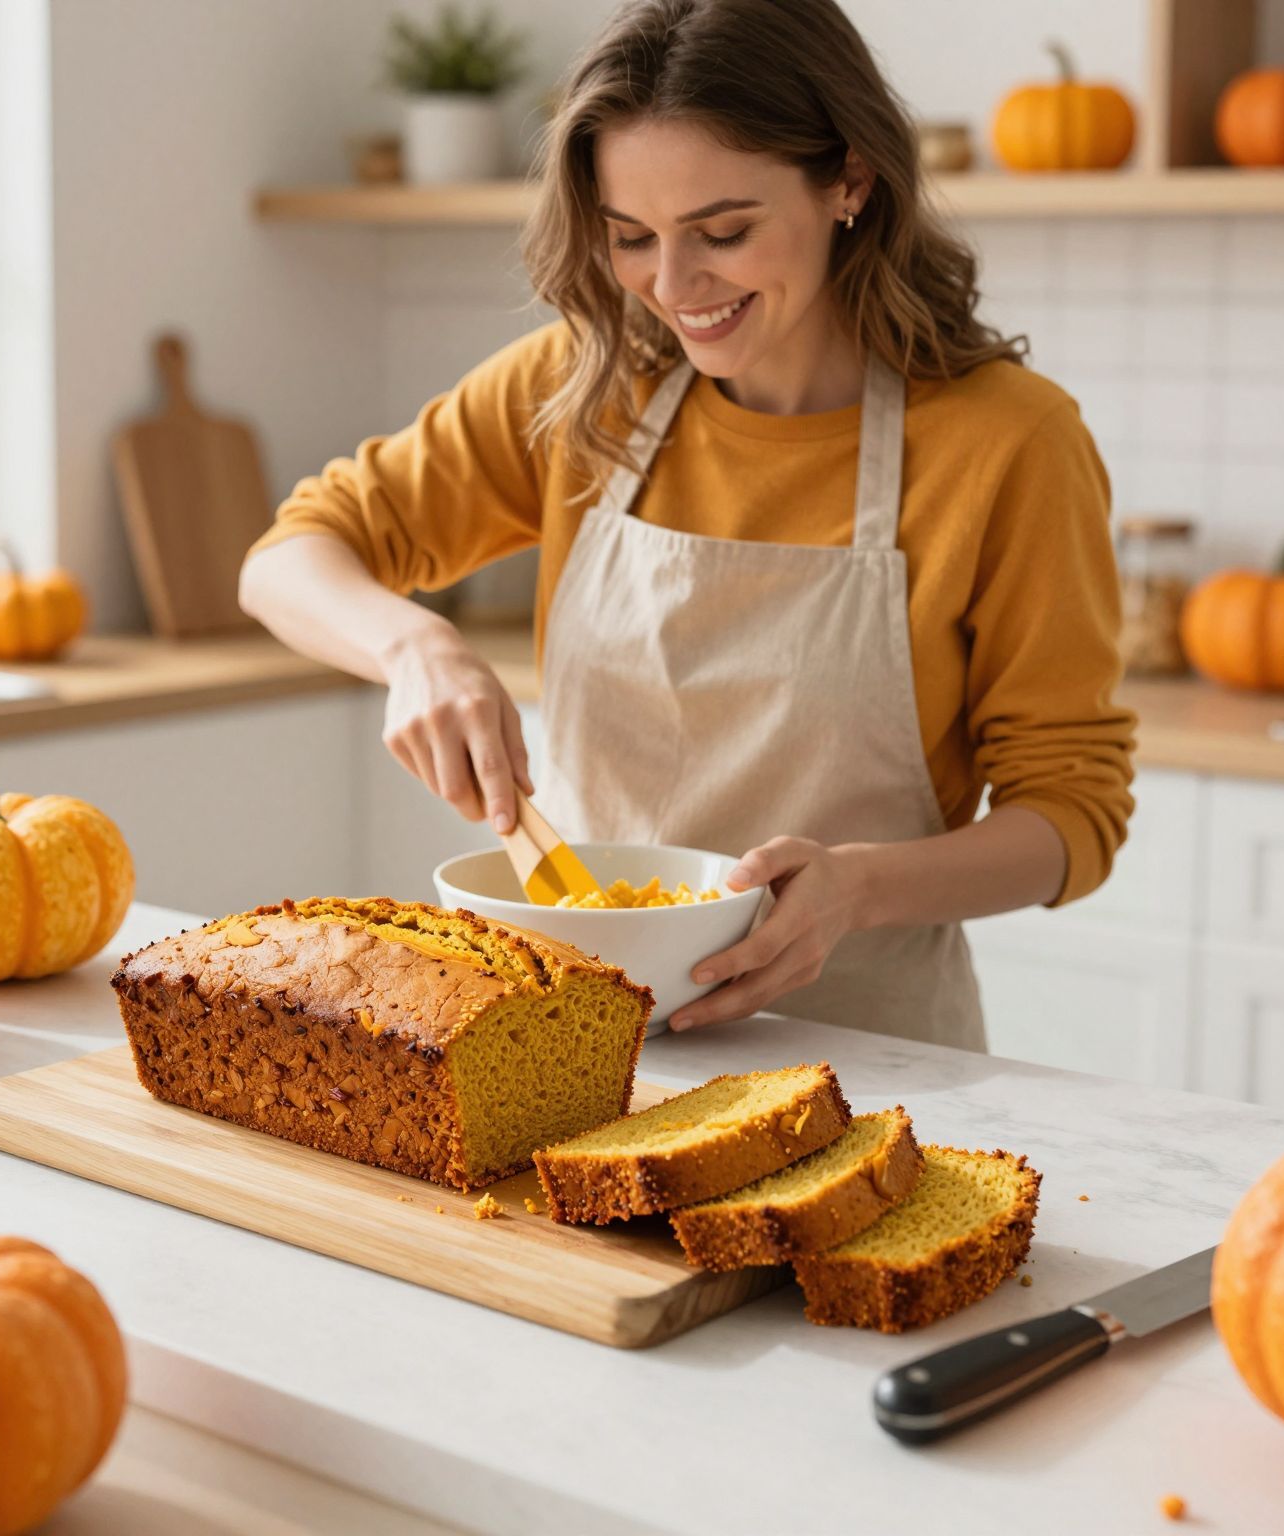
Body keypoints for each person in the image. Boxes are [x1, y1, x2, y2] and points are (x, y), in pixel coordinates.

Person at [238, 0, 1134, 1050]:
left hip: (872, 1060)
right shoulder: (588, 388)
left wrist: (853, 888)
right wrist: (414, 647)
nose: (672, 287)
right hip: (573, 1044)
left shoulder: (1006, 443)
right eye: (631, 238)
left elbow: (1070, 815)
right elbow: (290, 555)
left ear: (849, 180)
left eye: (722, 232)